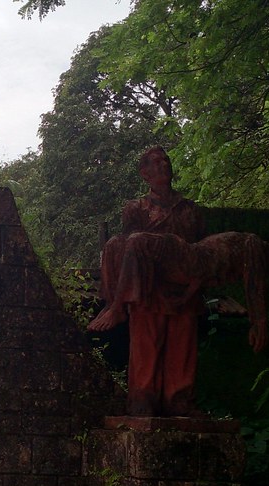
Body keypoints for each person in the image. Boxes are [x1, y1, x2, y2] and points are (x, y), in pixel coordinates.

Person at [90, 146, 206, 417]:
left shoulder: (190, 210)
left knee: (182, 347)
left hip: (184, 286)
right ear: (144, 174)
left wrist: (195, 286)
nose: (164, 164)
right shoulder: (137, 208)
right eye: (156, 162)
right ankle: (142, 399)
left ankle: (180, 400)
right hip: (149, 288)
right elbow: (133, 248)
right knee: (146, 346)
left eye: (166, 159)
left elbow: (201, 251)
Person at [89, 231, 269, 354]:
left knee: (118, 243)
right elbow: (255, 287)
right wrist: (259, 323)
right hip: (187, 257)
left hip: (187, 270)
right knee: (132, 241)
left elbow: (200, 278)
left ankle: (114, 306)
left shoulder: (235, 249)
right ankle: (115, 306)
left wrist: (184, 298)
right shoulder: (253, 244)